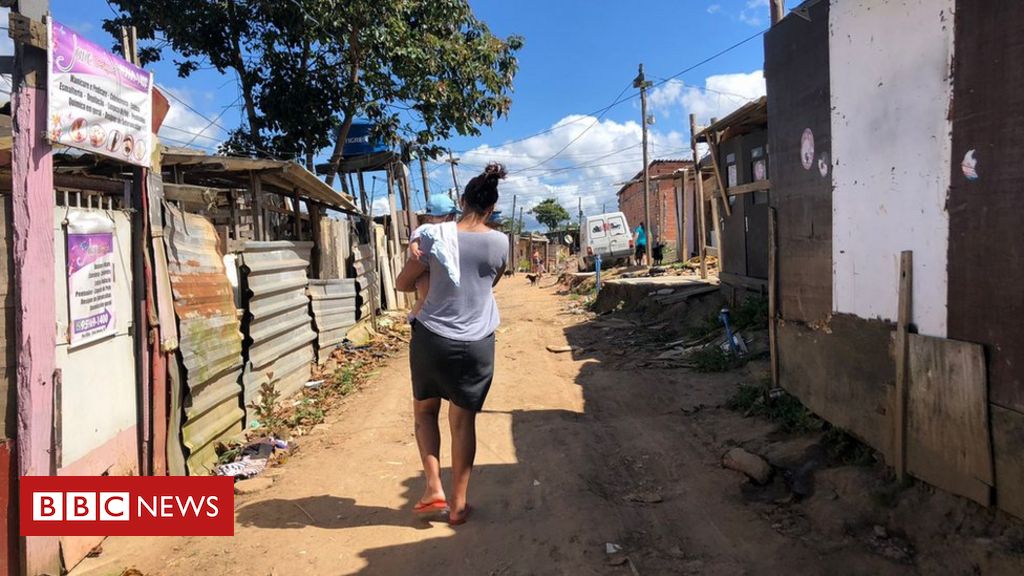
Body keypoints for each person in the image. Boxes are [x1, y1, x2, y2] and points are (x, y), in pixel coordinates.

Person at [396, 163, 509, 526]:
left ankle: (433, 488)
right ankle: (459, 506)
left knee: (425, 413)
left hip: (432, 339)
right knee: (463, 423)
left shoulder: (433, 239)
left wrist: (422, 266)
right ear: (492, 207)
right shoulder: (500, 242)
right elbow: (492, 281)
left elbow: (401, 284)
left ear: (461, 201)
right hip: (478, 344)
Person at [408, 195, 460, 322]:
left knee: (427, 298)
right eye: (449, 216)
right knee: (425, 298)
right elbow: (415, 237)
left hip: (434, 270)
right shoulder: (428, 228)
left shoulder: (450, 231)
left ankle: (417, 317)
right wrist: (414, 247)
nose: (451, 219)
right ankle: (413, 317)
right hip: (425, 271)